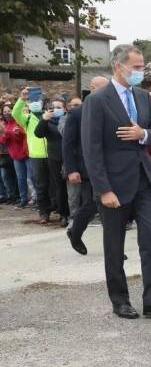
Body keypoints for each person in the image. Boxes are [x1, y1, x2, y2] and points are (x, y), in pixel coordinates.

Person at [81, 44, 151, 320]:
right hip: (114, 185)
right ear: (118, 66)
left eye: (142, 66)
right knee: (114, 246)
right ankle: (120, 300)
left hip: (144, 181)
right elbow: (92, 149)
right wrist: (103, 189)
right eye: (136, 67)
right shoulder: (97, 101)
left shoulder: (143, 96)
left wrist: (142, 134)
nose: (141, 72)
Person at [62, 92, 98, 256]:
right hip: (85, 168)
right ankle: (75, 233)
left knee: (111, 210)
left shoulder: (113, 110)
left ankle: (115, 249)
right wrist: (71, 169)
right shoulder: (77, 113)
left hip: (109, 167)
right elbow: (68, 143)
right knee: (91, 204)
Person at [12, 88, 51, 224]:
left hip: (52, 155)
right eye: (32, 101)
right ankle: (44, 212)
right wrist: (22, 99)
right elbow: (15, 113)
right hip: (36, 156)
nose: (35, 103)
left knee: (56, 185)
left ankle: (60, 210)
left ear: (42, 102)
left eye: (38, 101)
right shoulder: (27, 119)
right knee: (41, 186)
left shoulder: (49, 115)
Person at [34, 97, 70, 227]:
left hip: (71, 157)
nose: (56, 110)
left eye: (59, 107)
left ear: (65, 108)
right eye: (54, 107)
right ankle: (63, 214)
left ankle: (77, 212)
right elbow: (38, 133)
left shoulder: (70, 120)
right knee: (59, 187)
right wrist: (44, 119)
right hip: (55, 159)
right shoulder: (48, 123)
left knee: (75, 187)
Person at [0, 102, 29, 208]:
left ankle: (33, 199)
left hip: (26, 153)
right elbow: (3, 141)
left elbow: (25, 136)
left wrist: (19, 133)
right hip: (15, 156)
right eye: (5, 112)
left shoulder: (18, 121)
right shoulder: (4, 125)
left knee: (30, 178)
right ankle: (23, 199)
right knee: (20, 178)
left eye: (9, 111)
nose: (7, 113)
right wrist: (6, 134)